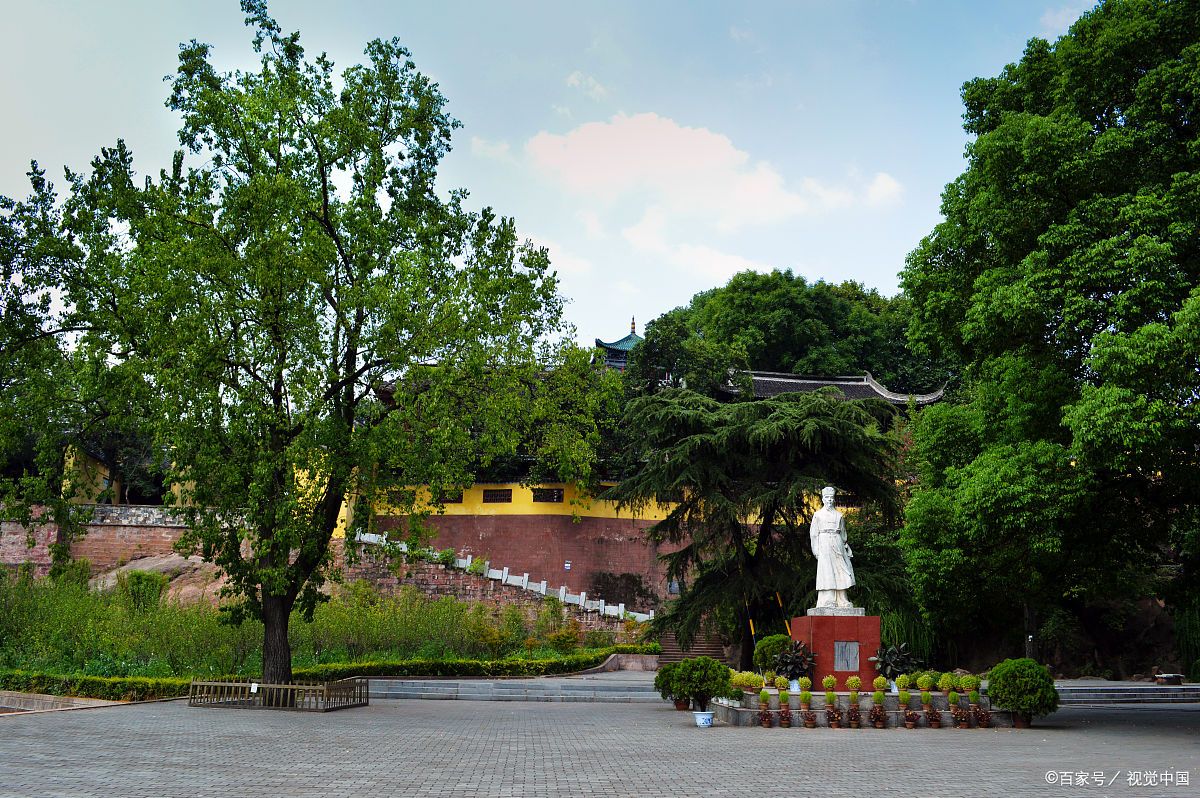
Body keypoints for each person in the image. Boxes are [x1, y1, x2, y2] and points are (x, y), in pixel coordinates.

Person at [809, 485, 855, 608]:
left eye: (831, 497)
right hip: (824, 543)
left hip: (837, 542)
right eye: (827, 497)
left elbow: (843, 533)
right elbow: (814, 534)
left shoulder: (839, 515)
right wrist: (816, 550)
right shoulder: (818, 515)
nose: (829, 500)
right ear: (823, 499)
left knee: (841, 569)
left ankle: (842, 598)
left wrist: (845, 546)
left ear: (833, 499)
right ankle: (828, 598)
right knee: (827, 570)